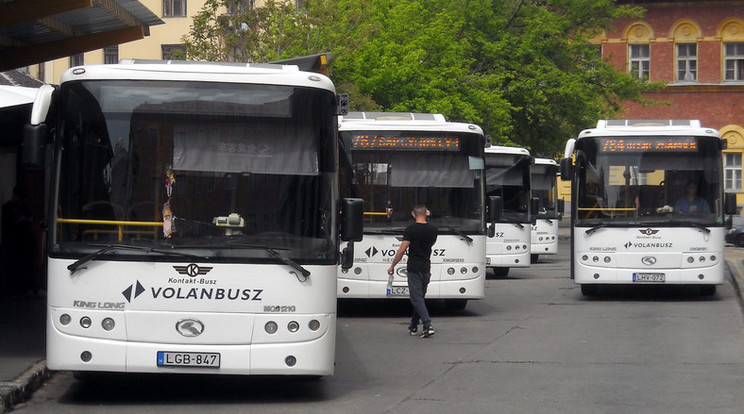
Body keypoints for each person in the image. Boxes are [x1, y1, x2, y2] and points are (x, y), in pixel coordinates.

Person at [387, 204, 438, 338]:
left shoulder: (411, 229)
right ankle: (414, 325)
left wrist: (392, 266)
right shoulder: (433, 229)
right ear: (426, 213)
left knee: (416, 298)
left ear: (413, 215)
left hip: (414, 267)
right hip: (426, 266)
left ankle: (428, 325)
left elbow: (402, 250)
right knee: (420, 297)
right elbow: (431, 244)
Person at [1, 185, 37, 296]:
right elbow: (7, 224)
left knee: (27, 264)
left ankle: (29, 288)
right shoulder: (7, 207)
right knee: (15, 266)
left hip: (25, 239)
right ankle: (18, 289)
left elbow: (30, 216)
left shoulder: (23, 206)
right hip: (14, 240)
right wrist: (19, 221)